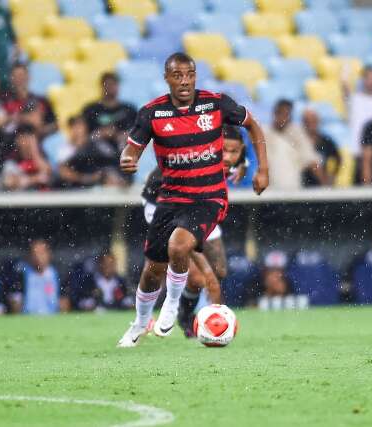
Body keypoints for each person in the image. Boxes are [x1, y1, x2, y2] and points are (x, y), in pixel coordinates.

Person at [117, 52, 269, 347]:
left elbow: (253, 126)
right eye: (177, 75)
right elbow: (132, 150)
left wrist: (261, 168)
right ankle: (138, 324)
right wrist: (127, 159)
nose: (184, 81)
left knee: (182, 247)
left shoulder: (215, 104)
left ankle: (172, 307)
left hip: (208, 198)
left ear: (195, 76)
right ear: (167, 78)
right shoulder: (152, 113)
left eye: (190, 75)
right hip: (169, 199)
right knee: (152, 272)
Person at [141, 125, 247, 337]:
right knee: (199, 276)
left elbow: (237, 156)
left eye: (234, 152)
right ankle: (178, 317)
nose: (228, 157)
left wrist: (243, 164)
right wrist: (208, 277)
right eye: (223, 150)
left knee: (220, 270)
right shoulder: (197, 165)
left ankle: (183, 309)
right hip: (165, 207)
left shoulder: (229, 157)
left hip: (201, 205)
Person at [263, 99, 327, 190]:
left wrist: (326, 187)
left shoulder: (296, 133)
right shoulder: (264, 133)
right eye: (281, 114)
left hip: (293, 190)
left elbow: (311, 160)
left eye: (287, 115)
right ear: (275, 114)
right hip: (269, 191)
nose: (284, 118)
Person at [58, 116, 125, 189]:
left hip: (100, 181)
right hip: (77, 185)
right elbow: (63, 172)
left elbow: (112, 159)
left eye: (81, 125)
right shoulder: (66, 148)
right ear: (71, 129)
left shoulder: (97, 143)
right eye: (75, 126)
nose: (79, 129)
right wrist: (87, 178)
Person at [4, 240, 69, 315]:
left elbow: (64, 302)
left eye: (41, 253)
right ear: (29, 256)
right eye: (35, 254)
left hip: (52, 318)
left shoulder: (58, 274)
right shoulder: (21, 274)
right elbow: (15, 301)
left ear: (48, 254)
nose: (38, 257)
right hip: (27, 319)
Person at [82, 72, 137, 152]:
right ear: (101, 87)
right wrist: (99, 134)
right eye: (107, 84)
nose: (110, 87)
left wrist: (124, 136)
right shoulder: (90, 110)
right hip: (96, 155)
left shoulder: (129, 110)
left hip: (124, 154)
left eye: (113, 84)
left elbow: (140, 135)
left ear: (118, 86)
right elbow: (81, 138)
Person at [2, 62, 57, 139]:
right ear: (11, 79)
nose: (19, 80)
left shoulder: (41, 101)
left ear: (29, 77)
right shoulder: (4, 100)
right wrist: (25, 119)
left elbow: (56, 124)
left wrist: (41, 130)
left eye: (21, 75)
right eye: (15, 76)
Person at [0, 124, 52, 191]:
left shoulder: (41, 157)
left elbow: (47, 175)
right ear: (17, 140)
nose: (28, 143)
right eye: (25, 138)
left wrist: (35, 152)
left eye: (31, 139)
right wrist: (35, 179)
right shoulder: (11, 159)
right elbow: (10, 182)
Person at [347, 65, 372, 169]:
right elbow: (344, 85)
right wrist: (346, 65)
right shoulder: (354, 99)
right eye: (370, 78)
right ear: (363, 80)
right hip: (357, 153)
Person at [302, 109, 341, 186]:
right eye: (308, 121)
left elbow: (338, 159)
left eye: (313, 120)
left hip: (321, 187)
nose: (311, 124)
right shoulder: (299, 141)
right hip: (303, 186)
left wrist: (332, 176)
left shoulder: (326, 141)